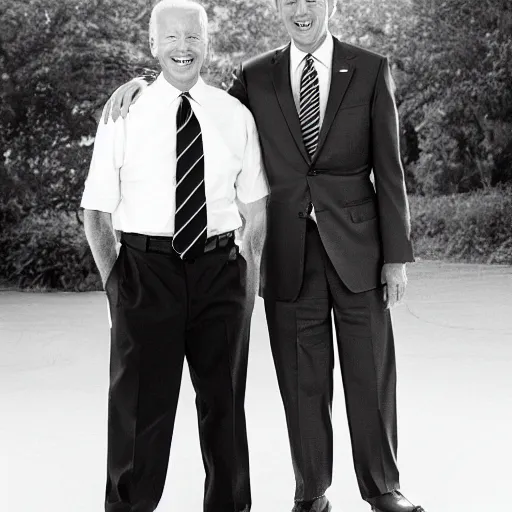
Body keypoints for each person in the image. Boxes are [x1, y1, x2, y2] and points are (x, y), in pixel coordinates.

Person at [104, 1, 426, 511]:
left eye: (311, 1)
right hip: (287, 251)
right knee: (301, 380)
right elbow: (198, 105)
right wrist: (143, 84)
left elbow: (390, 170)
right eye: (290, 1)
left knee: (370, 372)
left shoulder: (369, 68)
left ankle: (383, 486)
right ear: (280, 9)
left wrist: (396, 257)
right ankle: (311, 491)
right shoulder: (255, 76)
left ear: (330, 6)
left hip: (359, 250)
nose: (301, 11)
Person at [81, 1, 268, 511]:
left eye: (194, 37)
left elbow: (255, 216)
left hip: (219, 275)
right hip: (145, 274)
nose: (183, 47)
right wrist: (117, 285)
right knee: (137, 415)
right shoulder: (124, 114)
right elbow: (95, 214)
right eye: (172, 38)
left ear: (207, 44)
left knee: (225, 412)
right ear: (153, 45)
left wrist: (244, 293)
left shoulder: (236, 117)